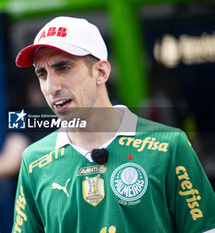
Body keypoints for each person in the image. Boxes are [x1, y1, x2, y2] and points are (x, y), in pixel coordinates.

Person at [11, 16, 215, 233]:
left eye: (63, 68)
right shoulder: (34, 161)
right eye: (42, 74)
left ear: (101, 72)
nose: (51, 87)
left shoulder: (170, 145)